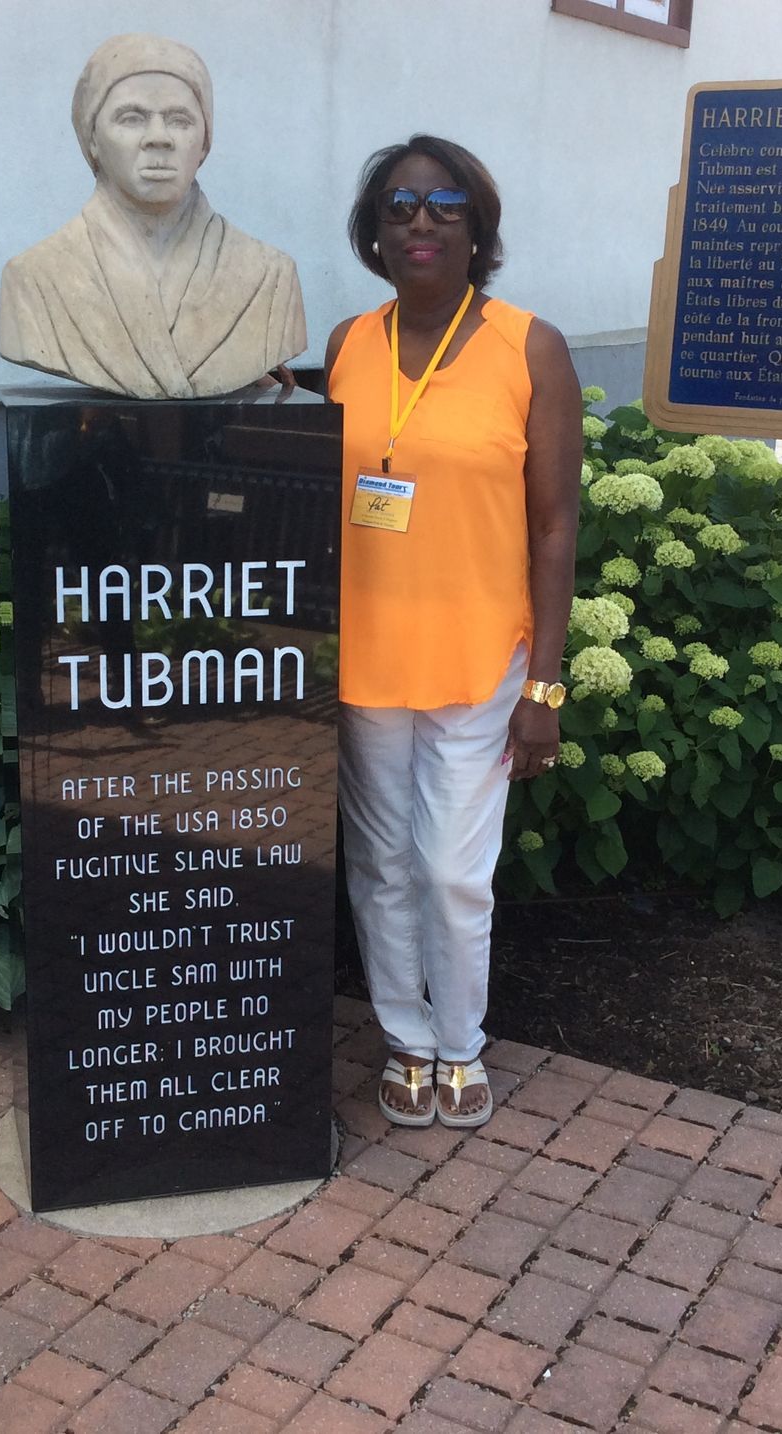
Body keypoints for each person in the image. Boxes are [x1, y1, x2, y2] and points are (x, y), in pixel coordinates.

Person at [325, 136, 581, 1129]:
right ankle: (406, 1040)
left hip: (482, 658)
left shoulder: (531, 346)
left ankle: (462, 1043)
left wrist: (544, 688)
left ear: (478, 230)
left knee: (451, 870)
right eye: (398, 205)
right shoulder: (351, 342)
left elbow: (556, 525)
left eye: (444, 205)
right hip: (364, 654)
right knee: (382, 865)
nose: (420, 221)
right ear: (374, 233)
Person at [0, 33, 307, 399]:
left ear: (205, 141)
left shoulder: (270, 278)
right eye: (131, 118)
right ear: (92, 139)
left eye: (179, 120)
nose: (159, 138)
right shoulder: (35, 280)